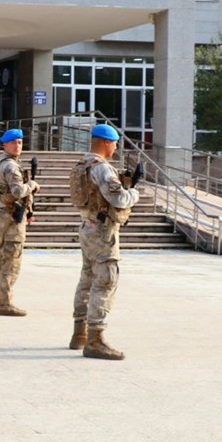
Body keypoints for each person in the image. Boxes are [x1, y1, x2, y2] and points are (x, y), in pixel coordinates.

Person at [69, 123, 140, 360]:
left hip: (87, 226)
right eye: (115, 143)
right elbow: (118, 198)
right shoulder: (103, 169)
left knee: (87, 279)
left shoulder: (82, 164)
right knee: (106, 280)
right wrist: (134, 194)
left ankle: (80, 333)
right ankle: (96, 339)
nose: (116, 147)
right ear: (107, 142)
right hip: (102, 232)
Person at [0, 129, 41, 316]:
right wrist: (32, 185)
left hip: (2, 213)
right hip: (11, 216)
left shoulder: (0, 163)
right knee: (11, 260)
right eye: (14, 142)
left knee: (0, 258)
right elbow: (18, 192)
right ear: (5, 144)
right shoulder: (11, 166)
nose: (18, 145)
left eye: (20, 142)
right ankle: (5, 303)